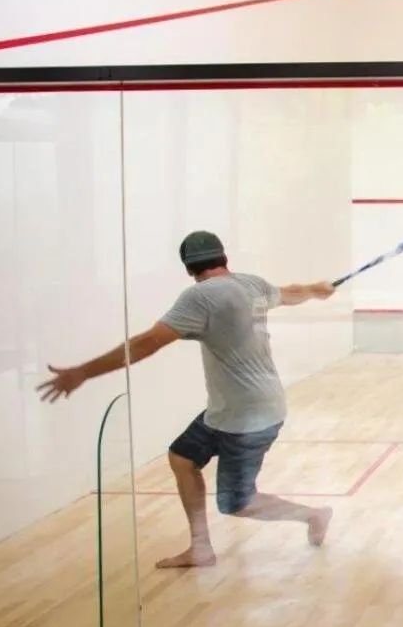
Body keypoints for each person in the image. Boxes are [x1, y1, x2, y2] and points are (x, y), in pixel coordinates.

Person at [36, 230, 336, 569]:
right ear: (224, 258)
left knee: (237, 502)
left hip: (247, 418)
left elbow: (146, 343)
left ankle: (312, 515)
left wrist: (83, 372)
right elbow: (288, 293)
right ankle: (200, 547)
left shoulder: (200, 297)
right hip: (235, 409)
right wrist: (315, 289)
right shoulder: (250, 284)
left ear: (189, 269)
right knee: (182, 457)